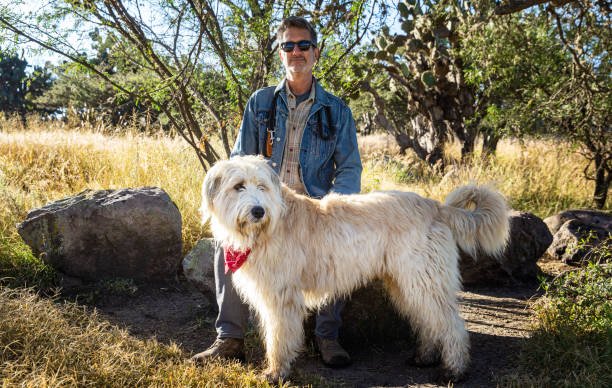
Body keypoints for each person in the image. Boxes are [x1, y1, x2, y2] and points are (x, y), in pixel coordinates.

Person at [192, 16, 362, 368]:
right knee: (229, 244)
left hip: (315, 207)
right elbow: (241, 159)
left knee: (338, 247)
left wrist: (335, 208)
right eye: (288, 46)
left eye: (303, 45)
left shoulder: (337, 110)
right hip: (265, 201)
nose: (295, 52)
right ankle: (230, 337)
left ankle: (327, 336)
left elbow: (349, 168)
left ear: (316, 52)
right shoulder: (261, 103)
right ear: (280, 54)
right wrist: (249, 199)